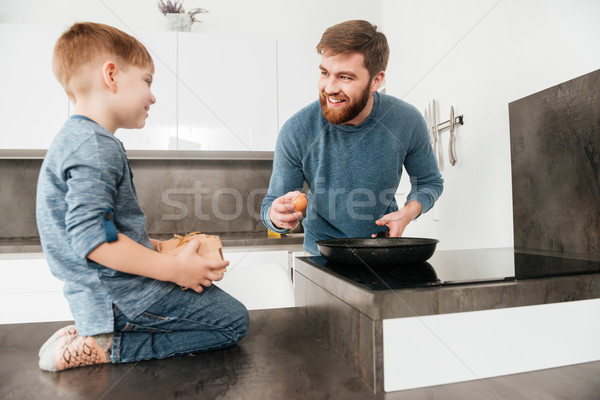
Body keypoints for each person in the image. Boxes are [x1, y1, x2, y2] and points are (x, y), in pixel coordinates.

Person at [36, 22, 248, 372]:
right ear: (111, 75)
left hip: (105, 296)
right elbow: (93, 241)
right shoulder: (95, 145)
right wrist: (175, 269)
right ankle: (107, 345)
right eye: (147, 81)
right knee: (233, 321)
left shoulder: (75, 139)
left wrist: (156, 246)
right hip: (121, 297)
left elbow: (102, 230)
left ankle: (97, 332)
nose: (152, 96)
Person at [261, 20, 443, 255]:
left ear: (376, 80)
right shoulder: (297, 130)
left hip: (382, 251)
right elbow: (272, 204)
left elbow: (430, 182)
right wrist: (276, 216)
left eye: (345, 77)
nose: (329, 88)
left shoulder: (406, 120)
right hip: (320, 256)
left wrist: (409, 212)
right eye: (325, 73)